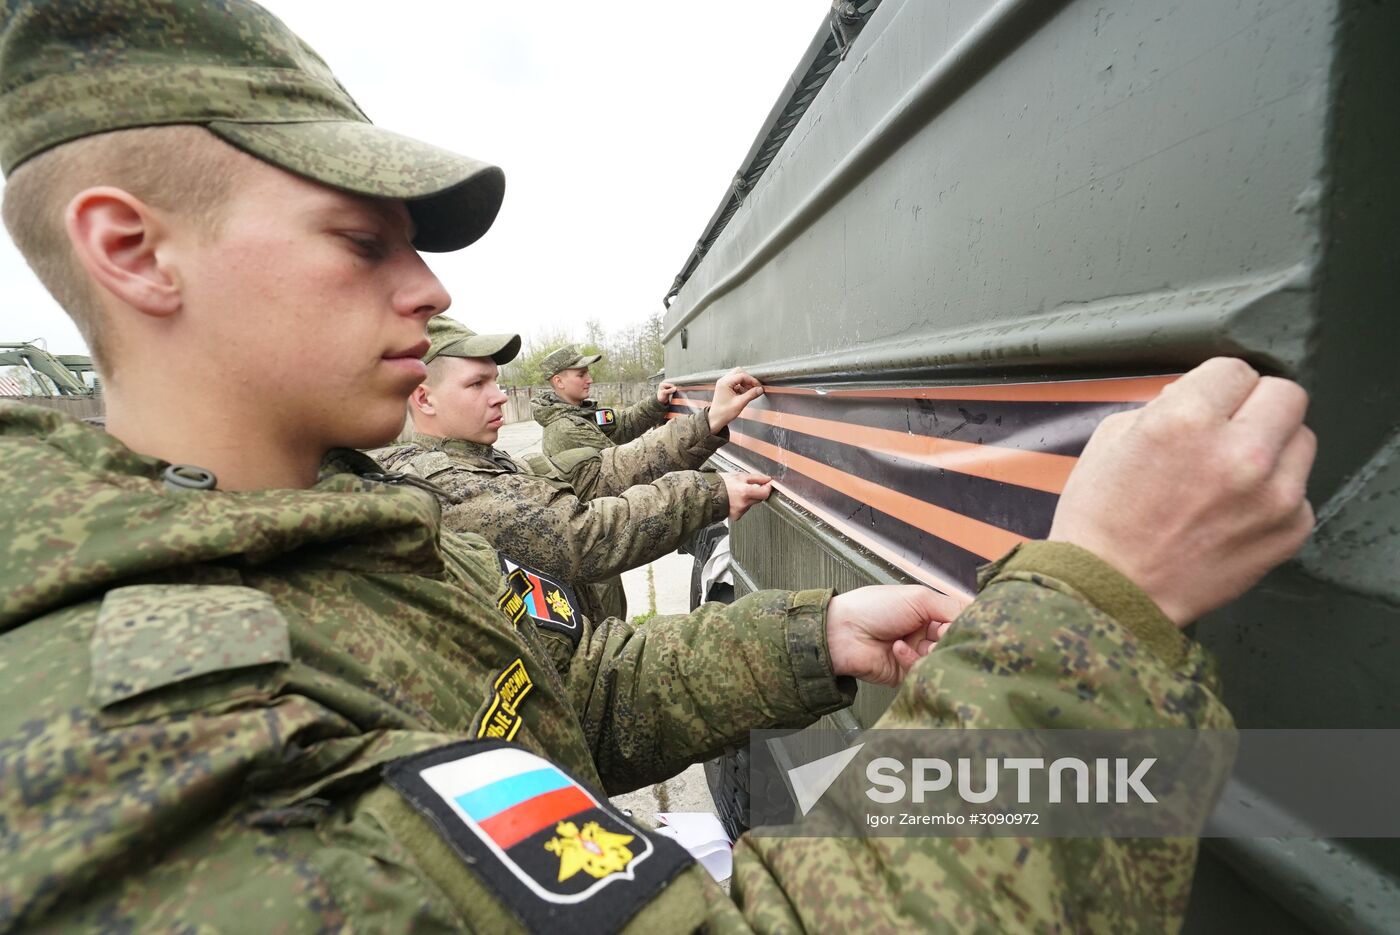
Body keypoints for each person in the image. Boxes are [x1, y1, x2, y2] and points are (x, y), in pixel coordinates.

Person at [0, 1, 1315, 931]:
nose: (432, 290)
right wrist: (1100, 610)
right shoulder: (140, 751)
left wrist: (807, 638)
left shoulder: (324, 527)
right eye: (361, 242)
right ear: (133, 250)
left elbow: (542, 702)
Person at [372, 314, 773, 640]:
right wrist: (707, 493)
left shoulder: (486, 461)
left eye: (495, 380)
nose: (500, 396)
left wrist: (708, 421)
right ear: (424, 398)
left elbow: (599, 476)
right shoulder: (446, 486)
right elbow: (583, 536)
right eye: (477, 384)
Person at [533, 343, 695, 455]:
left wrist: (657, 402)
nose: (590, 380)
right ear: (559, 382)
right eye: (581, 375)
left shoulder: (583, 413)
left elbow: (624, 423)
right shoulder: (567, 430)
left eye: (588, 373)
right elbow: (623, 463)